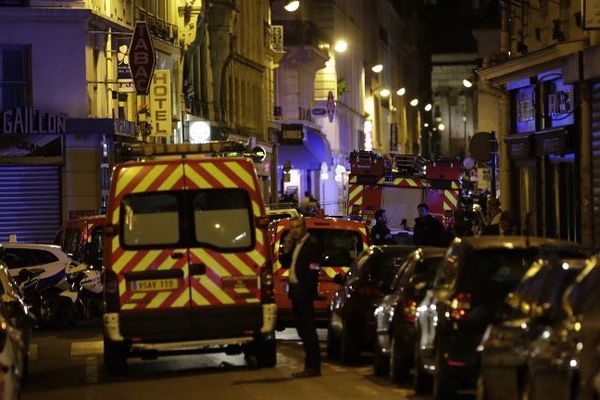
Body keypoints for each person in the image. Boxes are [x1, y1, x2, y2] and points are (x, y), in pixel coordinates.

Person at [279, 217, 322, 378]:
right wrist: (287, 247)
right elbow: (284, 263)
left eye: (297, 227)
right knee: (301, 329)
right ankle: (310, 366)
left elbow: (314, 269)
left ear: (304, 228)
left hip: (304, 293)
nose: (294, 230)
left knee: (308, 330)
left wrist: (305, 289)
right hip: (296, 292)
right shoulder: (296, 245)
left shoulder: (312, 244)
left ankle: (312, 367)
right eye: (292, 227)